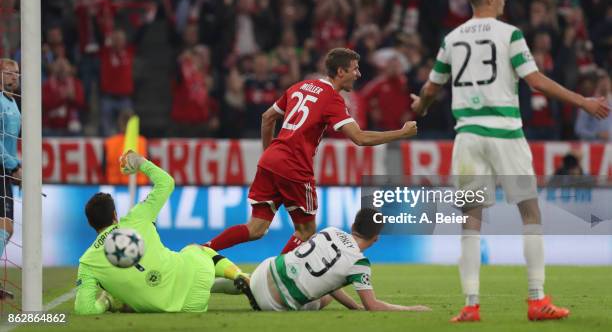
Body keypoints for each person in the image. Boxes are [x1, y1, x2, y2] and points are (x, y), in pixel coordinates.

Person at [410, 0, 609, 322]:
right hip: (504, 132)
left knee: (471, 219)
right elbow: (535, 81)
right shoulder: (510, 35)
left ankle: (471, 305)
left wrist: (420, 108)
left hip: (468, 136)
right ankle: (536, 299)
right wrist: (582, 101)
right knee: (530, 212)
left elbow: (429, 90)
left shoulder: (451, 39)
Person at [205, 48, 418, 254]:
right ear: (341, 71)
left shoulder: (300, 86)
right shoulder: (333, 99)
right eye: (355, 69)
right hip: (295, 166)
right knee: (306, 231)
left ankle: (204, 249)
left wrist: (269, 153)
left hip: (271, 160)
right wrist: (401, 133)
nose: (358, 74)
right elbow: (360, 138)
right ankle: (276, 277)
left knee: (255, 228)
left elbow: (267, 117)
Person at [74, 151, 253, 314]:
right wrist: (139, 162)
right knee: (196, 250)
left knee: (164, 288)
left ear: (90, 223)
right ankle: (240, 276)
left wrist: (106, 302)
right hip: (194, 279)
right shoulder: (137, 217)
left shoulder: (87, 263)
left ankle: (245, 281)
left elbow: (84, 310)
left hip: (188, 308)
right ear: (115, 214)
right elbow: (166, 182)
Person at [246, 207, 430, 312]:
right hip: (273, 303)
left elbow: (329, 279)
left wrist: (354, 307)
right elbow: (372, 305)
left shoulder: (330, 230)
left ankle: (242, 280)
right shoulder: (359, 264)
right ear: (376, 238)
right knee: (324, 298)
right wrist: (411, 309)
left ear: (352, 226)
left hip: (263, 271)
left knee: (316, 281)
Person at [0, 58, 21, 300]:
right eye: (8, 73)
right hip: (3, 168)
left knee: (6, 228)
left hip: (6, 170)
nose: (14, 77)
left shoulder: (14, 103)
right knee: (5, 227)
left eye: (16, 73)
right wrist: (14, 165)